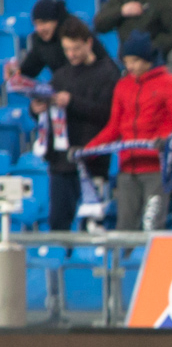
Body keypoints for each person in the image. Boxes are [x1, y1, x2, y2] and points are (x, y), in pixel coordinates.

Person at [86, 31, 172, 231]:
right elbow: (114, 127)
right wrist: (89, 150)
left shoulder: (171, 84)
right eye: (126, 61)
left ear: (147, 59)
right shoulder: (123, 86)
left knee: (152, 225)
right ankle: (125, 254)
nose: (130, 66)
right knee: (125, 226)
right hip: (127, 169)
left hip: (157, 169)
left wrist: (166, 141)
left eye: (134, 61)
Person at [31, 18, 119, 231]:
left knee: (92, 225)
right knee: (58, 223)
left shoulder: (108, 72)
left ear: (89, 43)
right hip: (61, 162)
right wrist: (36, 109)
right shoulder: (61, 75)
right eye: (67, 50)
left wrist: (72, 102)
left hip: (92, 160)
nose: (71, 54)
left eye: (76, 49)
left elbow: (107, 115)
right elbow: (45, 108)